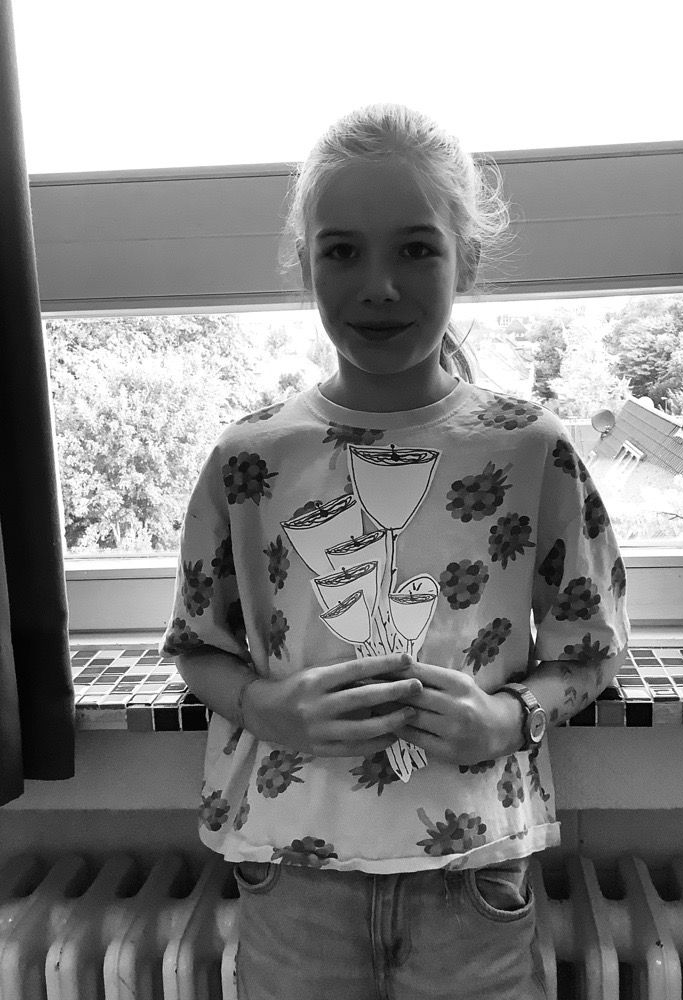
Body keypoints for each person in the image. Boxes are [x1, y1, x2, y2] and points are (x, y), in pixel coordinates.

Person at [160, 103, 630, 1000]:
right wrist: (264, 708)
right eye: (342, 251)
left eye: (416, 249)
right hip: (291, 874)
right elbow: (196, 646)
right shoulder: (249, 459)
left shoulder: (530, 449)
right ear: (305, 264)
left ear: (467, 260)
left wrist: (510, 720)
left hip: (474, 872)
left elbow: (592, 647)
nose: (378, 286)